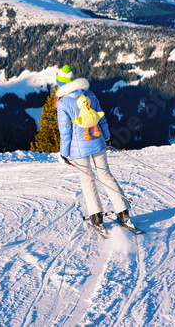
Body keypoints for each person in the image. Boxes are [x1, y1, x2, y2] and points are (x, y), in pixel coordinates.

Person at [55, 64, 131, 230]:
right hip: (98, 142)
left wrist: (63, 154)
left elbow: (66, 132)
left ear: (60, 84)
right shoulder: (89, 94)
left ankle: (97, 218)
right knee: (105, 175)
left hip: (79, 149)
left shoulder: (63, 103)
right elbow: (101, 119)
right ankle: (123, 212)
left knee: (88, 179)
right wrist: (107, 137)